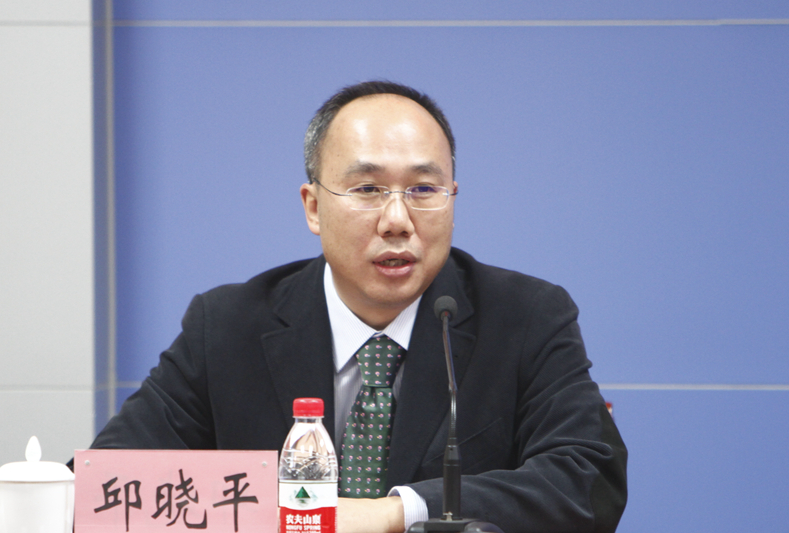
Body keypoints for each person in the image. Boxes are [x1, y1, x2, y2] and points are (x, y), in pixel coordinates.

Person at [90, 81, 627, 533]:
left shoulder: (526, 317)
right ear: (313, 207)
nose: (397, 220)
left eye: (424, 190)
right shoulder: (227, 326)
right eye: (368, 189)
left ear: (452, 199)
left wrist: (393, 513)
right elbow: (110, 486)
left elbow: (588, 479)